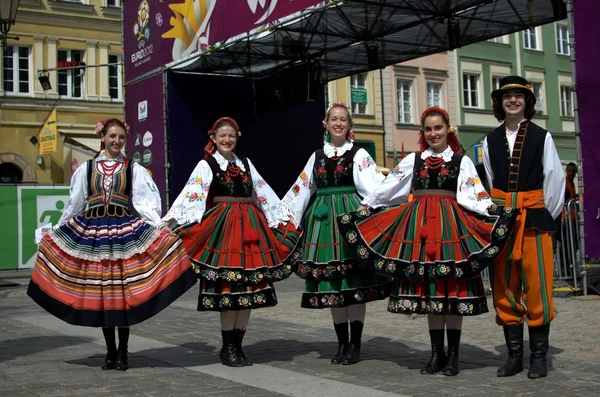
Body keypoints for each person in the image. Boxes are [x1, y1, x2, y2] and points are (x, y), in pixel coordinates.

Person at [338, 106, 516, 376]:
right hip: (420, 229)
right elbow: (390, 187)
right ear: (423, 133)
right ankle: (437, 354)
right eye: (429, 129)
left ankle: (453, 356)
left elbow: (474, 194)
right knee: (432, 291)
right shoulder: (414, 160)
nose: (434, 133)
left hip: (450, 229)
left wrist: (494, 211)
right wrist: (367, 206)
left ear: (448, 129)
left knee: (451, 289)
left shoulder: (460, 161)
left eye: (438, 128)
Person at [27, 118, 197, 371]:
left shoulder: (133, 168)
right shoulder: (86, 169)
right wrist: (56, 230)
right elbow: (74, 204)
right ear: (103, 137)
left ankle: (124, 353)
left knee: (121, 292)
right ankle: (110, 351)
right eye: (112, 136)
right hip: (93, 233)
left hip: (122, 232)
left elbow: (142, 202)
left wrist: (159, 225)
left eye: (120, 137)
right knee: (103, 294)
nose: (116, 141)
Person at [163, 117, 300, 367]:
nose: (227, 140)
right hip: (224, 231)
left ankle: (238, 345)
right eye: (222, 136)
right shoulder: (207, 165)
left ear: (237, 138)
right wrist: (172, 222)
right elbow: (192, 195)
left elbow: (262, 192)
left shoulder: (246, 163)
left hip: (250, 229)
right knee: (229, 288)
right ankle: (227, 348)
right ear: (213, 138)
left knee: (247, 288)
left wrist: (281, 214)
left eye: (231, 136)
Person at [279, 102, 391, 365]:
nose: (338, 123)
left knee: (353, 282)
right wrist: (286, 219)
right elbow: (302, 188)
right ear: (325, 123)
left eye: (343, 120)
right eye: (334, 119)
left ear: (349, 125)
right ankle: (342, 344)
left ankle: (355, 344)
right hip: (323, 221)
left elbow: (374, 186)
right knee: (334, 284)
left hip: (349, 218)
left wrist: (368, 207)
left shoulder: (359, 154)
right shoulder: (317, 156)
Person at [483, 76, 565, 379]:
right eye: (507, 97)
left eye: (518, 96)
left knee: (538, 286)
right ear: (500, 103)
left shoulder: (542, 136)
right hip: (504, 221)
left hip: (533, 219)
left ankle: (539, 356)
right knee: (504, 286)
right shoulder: (490, 140)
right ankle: (515, 356)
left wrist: (542, 213)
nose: (513, 101)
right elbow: (492, 181)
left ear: (526, 102)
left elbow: (554, 179)